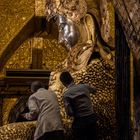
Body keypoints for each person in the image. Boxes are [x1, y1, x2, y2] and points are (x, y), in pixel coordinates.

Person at [60, 71, 98, 140]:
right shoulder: (84, 86)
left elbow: (70, 112)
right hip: (92, 119)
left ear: (63, 83)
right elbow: (95, 90)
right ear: (72, 78)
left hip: (80, 122)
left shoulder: (66, 94)